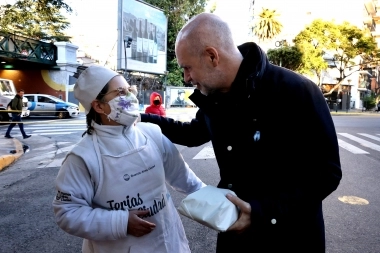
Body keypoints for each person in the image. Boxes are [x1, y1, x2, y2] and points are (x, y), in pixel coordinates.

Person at [140, 13, 342, 253]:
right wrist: (138, 118)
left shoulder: (296, 90)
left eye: (187, 68)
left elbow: (327, 173)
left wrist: (261, 212)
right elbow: (192, 134)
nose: (186, 78)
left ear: (212, 56)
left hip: (289, 237)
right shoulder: (214, 97)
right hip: (235, 236)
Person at [52, 65, 205, 253]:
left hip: (171, 244)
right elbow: (67, 213)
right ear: (98, 105)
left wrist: (222, 201)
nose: (131, 97)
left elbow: (186, 179)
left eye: (130, 90)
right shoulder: (82, 157)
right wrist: (120, 223)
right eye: (121, 92)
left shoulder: (153, 134)